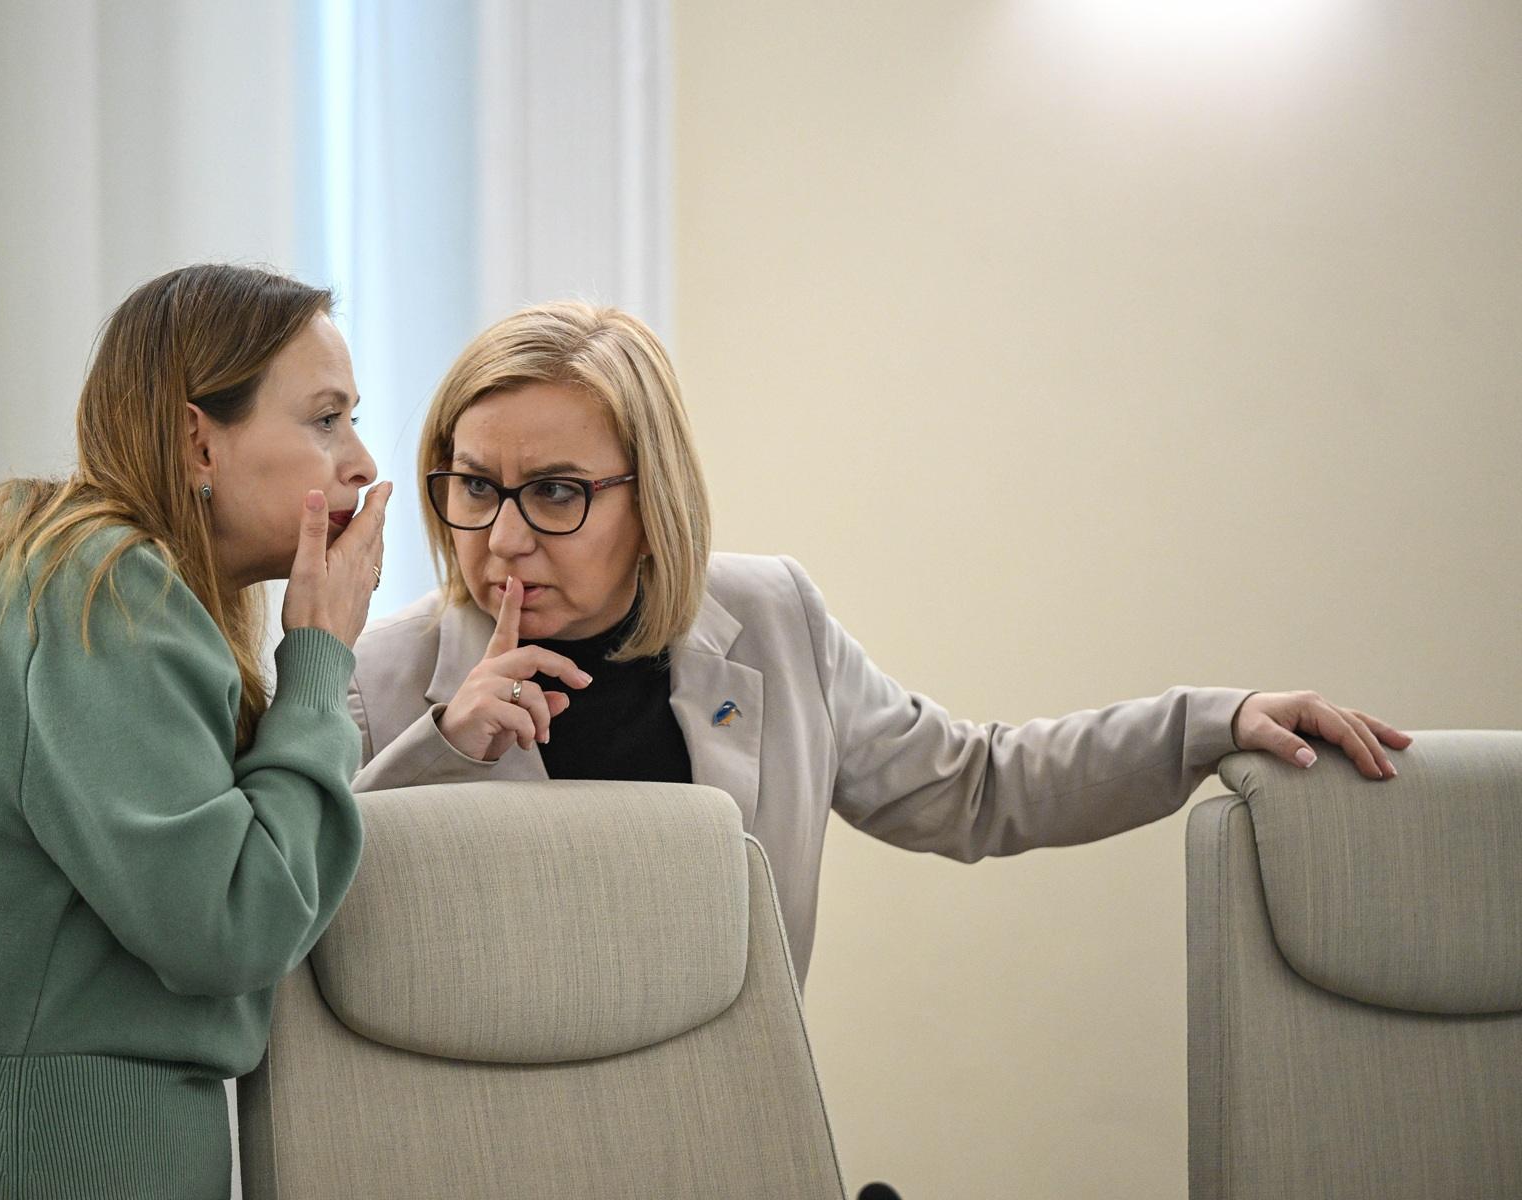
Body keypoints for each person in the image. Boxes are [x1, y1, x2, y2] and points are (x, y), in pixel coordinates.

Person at [347, 301, 1410, 984]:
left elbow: (978, 786)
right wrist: (443, 751)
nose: (505, 537)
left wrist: (1211, 723)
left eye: (557, 493)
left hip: (725, 1128)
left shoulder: (771, 620)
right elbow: (315, 932)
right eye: (475, 486)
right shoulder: (379, 679)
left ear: (653, 495)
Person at [0, 263, 390, 1199]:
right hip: (55, 1155)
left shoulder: (76, 574)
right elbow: (234, 925)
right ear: (198, 442)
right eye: (324, 419)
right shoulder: (104, 593)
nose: (359, 462)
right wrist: (318, 656)